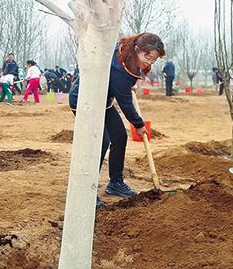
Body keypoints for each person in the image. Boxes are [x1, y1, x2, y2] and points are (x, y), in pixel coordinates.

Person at [69, 32, 165, 208]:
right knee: (102, 141)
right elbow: (125, 103)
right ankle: (86, 190)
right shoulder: (121, 69)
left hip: (102, 102)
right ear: (137, 49)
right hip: (84, 101)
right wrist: (139, 125)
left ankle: (115, 183)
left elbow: (119, 85)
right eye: (147, 57)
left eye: (153, 60)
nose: (149, 62)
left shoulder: (125, 53)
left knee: (119, 136)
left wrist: (129, 84)